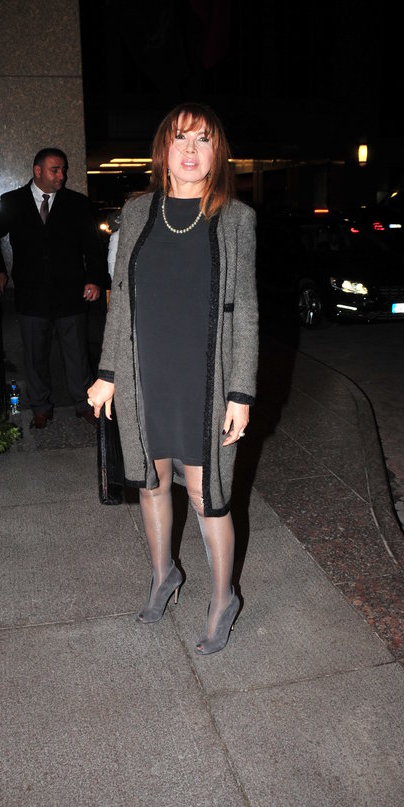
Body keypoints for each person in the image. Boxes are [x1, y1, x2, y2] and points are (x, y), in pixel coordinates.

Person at [87, 103, 258, 655]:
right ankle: (164, 575)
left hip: (206, 377)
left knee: (208, 494)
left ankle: (223, 598)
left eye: (202, 139)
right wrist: (108, 373)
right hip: (146, 371)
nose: (189, 149)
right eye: (180, 138)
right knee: (151, 480)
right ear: (162, 150)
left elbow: (247, 310)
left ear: (216, 154)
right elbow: (120, 300)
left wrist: (241, 393)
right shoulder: (137, 211)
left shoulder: (236, 218)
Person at [0, 148, 105, 429]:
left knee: (77, 354)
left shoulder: (76, 203)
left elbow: (92, 245)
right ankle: (40, 407)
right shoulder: (13, 202)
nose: (62, 176)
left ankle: (84, 404)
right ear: (37, 171)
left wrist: (94, 279)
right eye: (55, 170)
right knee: (34, 355)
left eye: (63, 170)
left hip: (71, 293)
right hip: (31, 294)